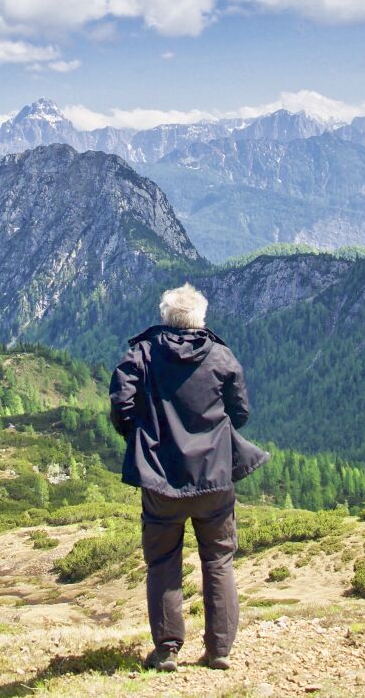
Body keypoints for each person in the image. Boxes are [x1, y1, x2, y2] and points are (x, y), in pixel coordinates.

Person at [108, 282, 266, 673]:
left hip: (161, 479)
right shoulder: (221, 356)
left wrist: (141, 437)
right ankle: (220, 650)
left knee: (162, 561)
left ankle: (167, 650)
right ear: (200, 319)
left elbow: (120, 406)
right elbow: (240, 412)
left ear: (166, 318)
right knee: (219, 561)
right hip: (214, 479)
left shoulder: (141, 354)